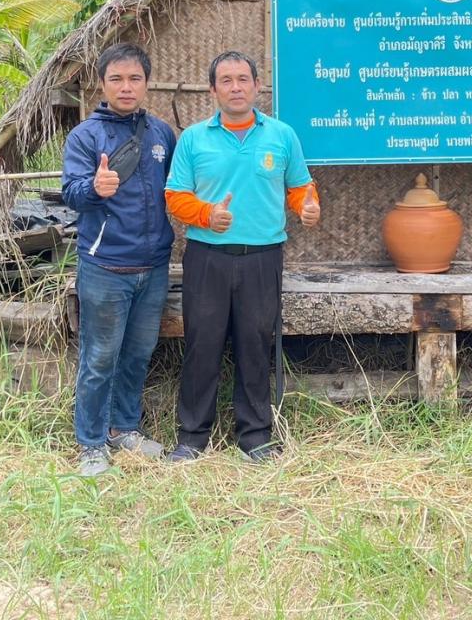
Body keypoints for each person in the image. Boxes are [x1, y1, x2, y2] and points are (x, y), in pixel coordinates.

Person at [163, 50, 320, 463]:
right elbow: (175, 196)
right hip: (206, 258)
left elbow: (300, 186)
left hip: (263, 258)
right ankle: (192, 438)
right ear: (213, 89)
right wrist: (206, 214)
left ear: (257, 85)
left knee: (255, 343)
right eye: (226, 80)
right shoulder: (194, 138)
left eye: (243, 79)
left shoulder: (282, 135)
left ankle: (255, 437)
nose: (236, 87)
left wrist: (307, 205)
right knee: (202, 344)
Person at [61, 42, 177, 476]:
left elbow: (179, 188)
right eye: (116, 79)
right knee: (99, 357)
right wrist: (96, 188)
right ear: (102, 83)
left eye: (134, 79)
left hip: (154, 265)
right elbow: (72, 193)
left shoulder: (161, 134)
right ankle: (91, 442)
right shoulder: (85, 137)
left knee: (138, 353)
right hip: (106, 266)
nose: (126, 87)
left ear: (147, 83)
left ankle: (123, 429)